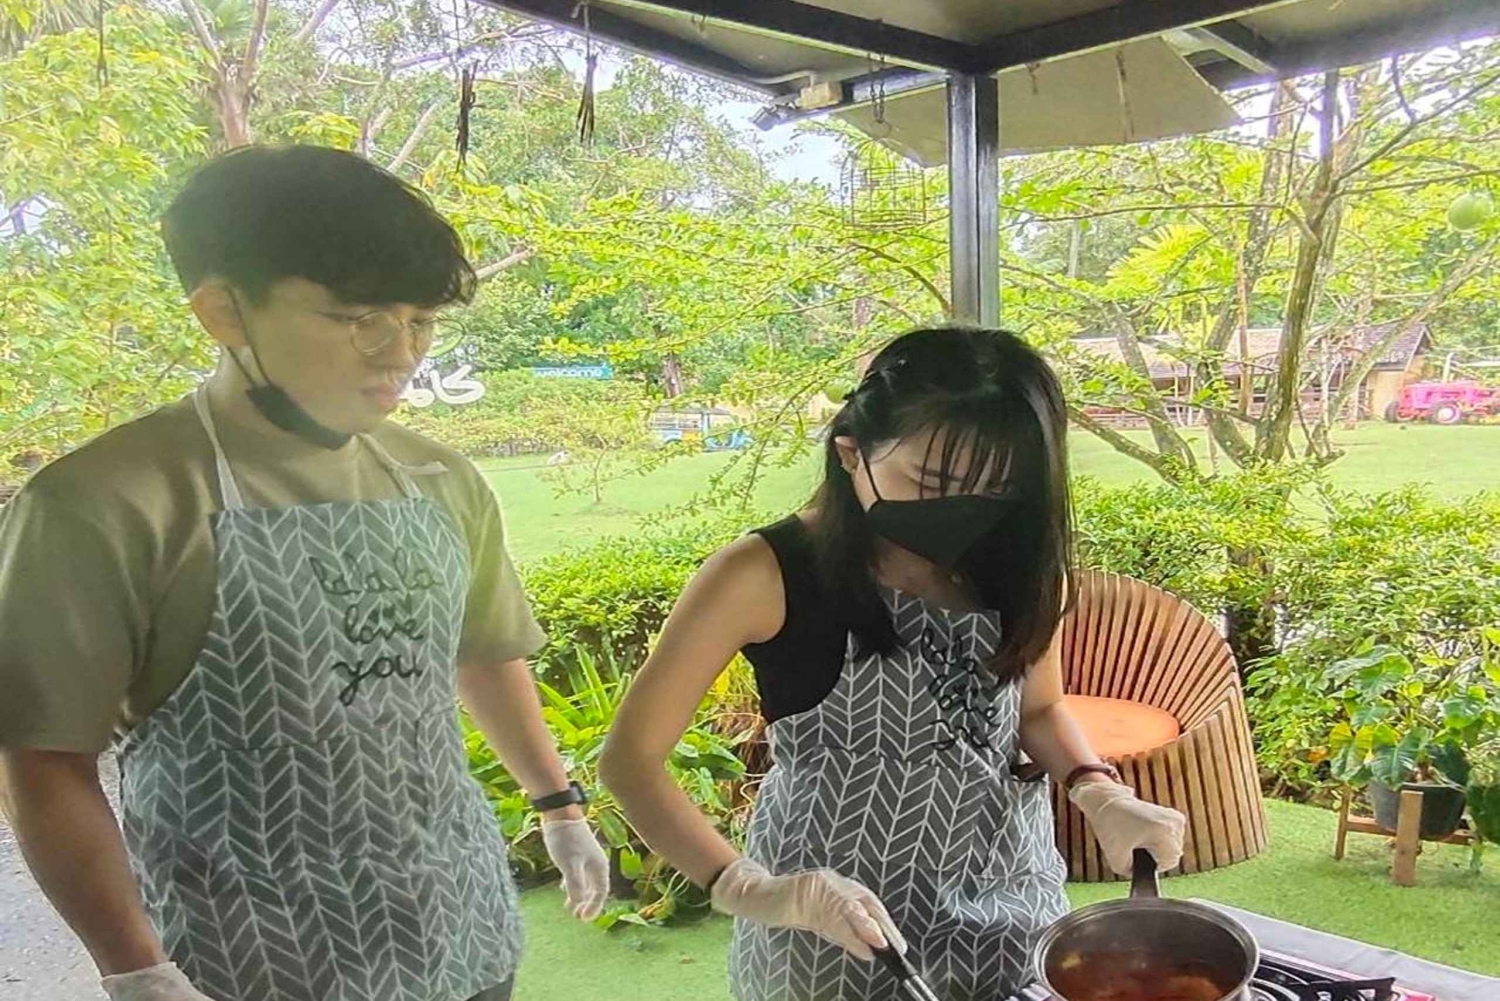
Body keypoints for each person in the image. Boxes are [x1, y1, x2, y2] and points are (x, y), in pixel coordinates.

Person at [0, 145, 609, 1001]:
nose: (400, 353)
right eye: (360, 318)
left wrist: (558, 804)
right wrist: (135, 966)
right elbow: (42, 760)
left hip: (461, 925)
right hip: (247, 958)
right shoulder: (105, 501)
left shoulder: (439, 479)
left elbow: (484, 651)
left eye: (420, 321)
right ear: (224, 311)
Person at [600, 328, 1187, 1001]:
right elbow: (629, 760)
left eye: (997, 488)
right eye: (933, 481)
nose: (964, 508)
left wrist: (1098, 789)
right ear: (852, 453)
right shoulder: (763, 573)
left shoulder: (1018, 560)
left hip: (1008, 914)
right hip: (831, 932)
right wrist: (750, 888)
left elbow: (1038, 706)